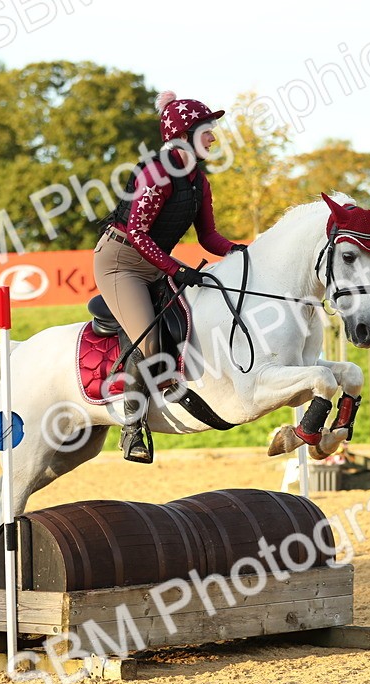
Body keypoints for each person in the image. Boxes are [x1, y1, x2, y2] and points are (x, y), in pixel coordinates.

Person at [94, 91, 245, 464]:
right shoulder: (157, 173)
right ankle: (132, 428)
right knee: (148, 339)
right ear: (183, 135)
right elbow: (138, 233)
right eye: (207, 130)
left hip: (154, 259)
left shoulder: (199, 181)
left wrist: (241, 252)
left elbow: (209, 237)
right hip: (121, 262)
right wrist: (177, 269)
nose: (213, 137)